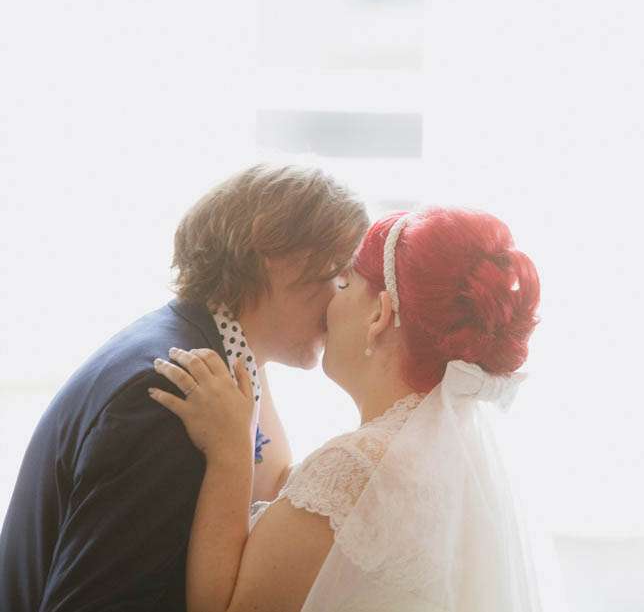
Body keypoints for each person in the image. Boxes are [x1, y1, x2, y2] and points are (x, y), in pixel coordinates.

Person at [0, 164, 368, 611]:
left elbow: (269, 483)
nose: (340, 300)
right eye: (337, 275)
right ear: (274, 253)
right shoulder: (173, 392)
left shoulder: (226, 357)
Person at [149, 208, 543, 611]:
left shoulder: (356, 466)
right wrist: (253, 339)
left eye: (345, 283)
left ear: (379, 315)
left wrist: (229, 454)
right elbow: (288, 492)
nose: (329, 303)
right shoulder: (445, 453)